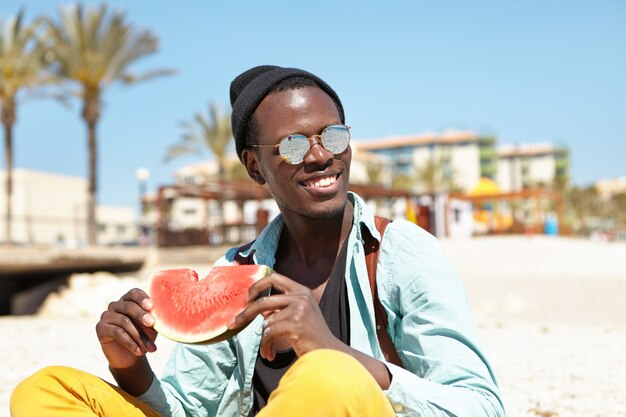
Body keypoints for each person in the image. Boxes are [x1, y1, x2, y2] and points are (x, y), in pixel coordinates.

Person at [11, 65, 505, 417]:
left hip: (346, 396)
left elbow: (482, 406)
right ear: (254, 166)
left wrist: (331, 348)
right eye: (292, 144)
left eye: (332, 136)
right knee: (48, 390)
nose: (319, 156)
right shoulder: (237, 270)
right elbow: (189, 407)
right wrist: (131, 367)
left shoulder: (399, 254)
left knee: (328, 377)